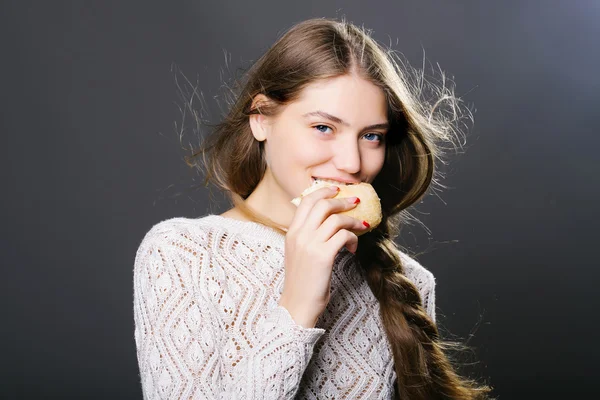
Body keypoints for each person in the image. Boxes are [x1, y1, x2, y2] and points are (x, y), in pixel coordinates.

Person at [133, 17, 494, 399]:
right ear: (260, 119)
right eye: (324, 127)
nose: (351, 162)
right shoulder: (182, 255)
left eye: (371, 136)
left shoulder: (409, 282)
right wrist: (297, 306)